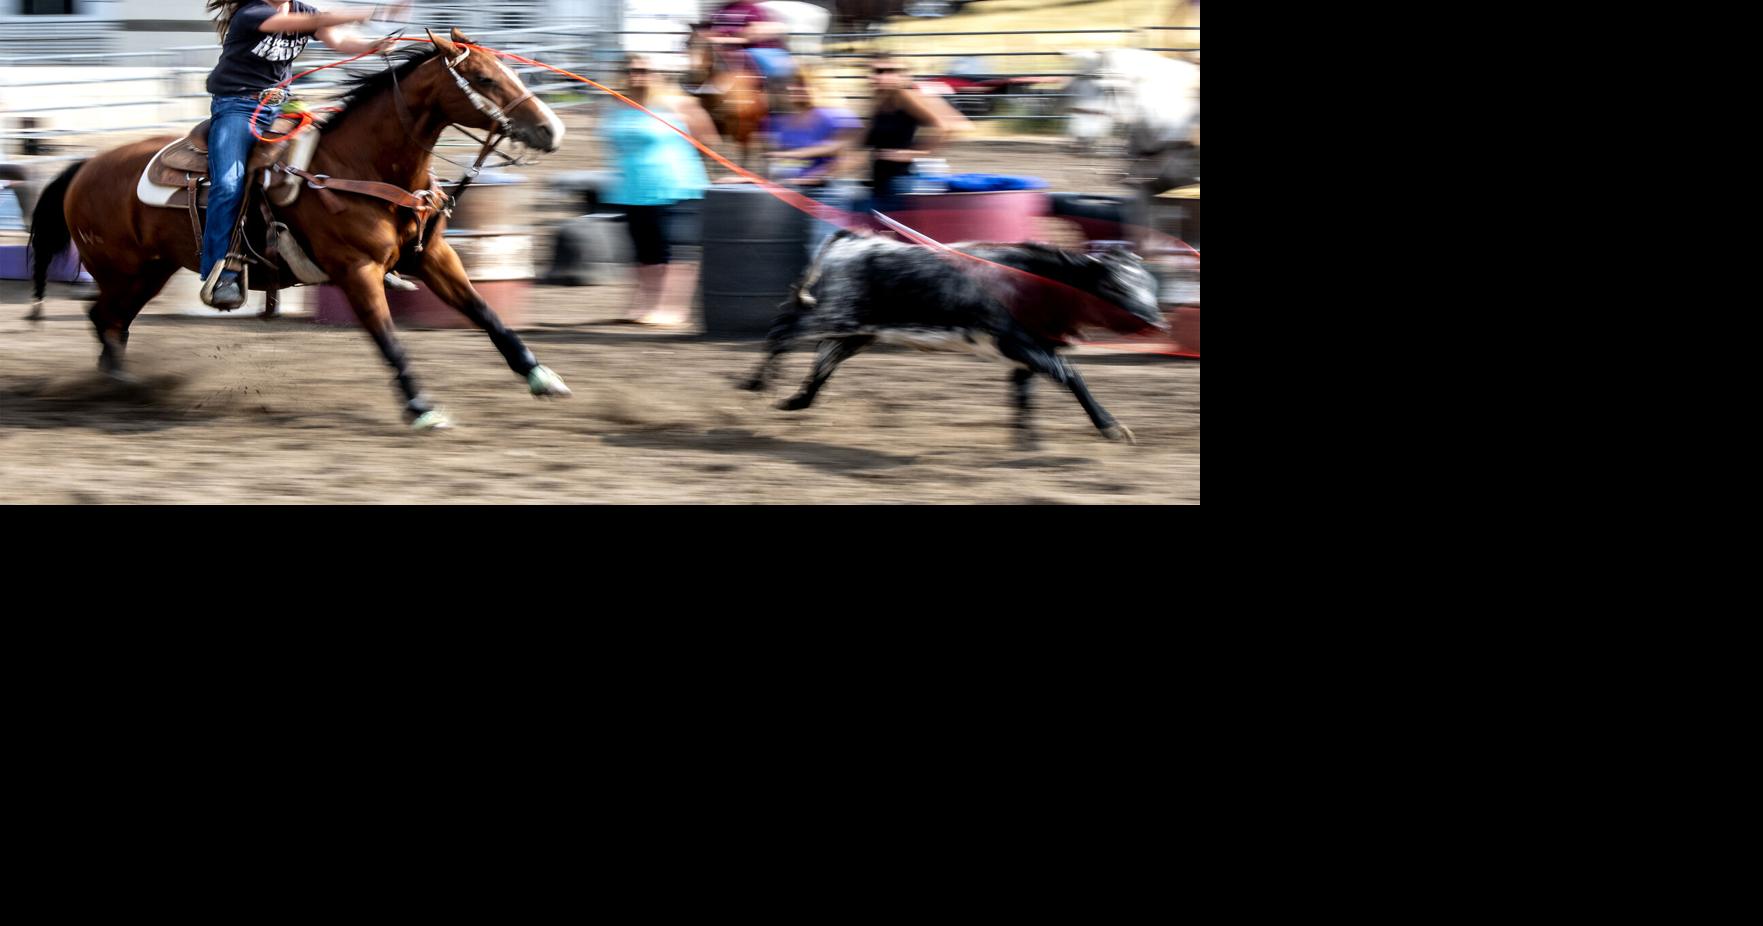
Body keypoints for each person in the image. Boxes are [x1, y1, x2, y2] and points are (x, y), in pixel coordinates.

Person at [199, 0, 405, 309]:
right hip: (237, 106)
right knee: (228, 184)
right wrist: (375, 12)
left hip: (282, 106)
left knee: (337, 160)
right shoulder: (252, 13)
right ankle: (221, 271)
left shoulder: (303, 11)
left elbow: (337, 40)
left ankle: (364, 253)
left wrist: (372, 46)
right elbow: (312, 22)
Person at [600, 55, 720, 327]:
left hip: (673, 186)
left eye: (643, 70)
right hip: (632, 189)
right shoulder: (619, 104)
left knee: (673, 250)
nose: (636, 75)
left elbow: (708, 139)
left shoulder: (677, 104)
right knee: (644, 251)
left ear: (658, 73)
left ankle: (673, 308)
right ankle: (646, 303)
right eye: (631, 70)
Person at [761, 70, 862, 257]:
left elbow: (848, 153)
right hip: (794, 193)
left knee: (822, 248)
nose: (796, 89)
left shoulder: (834, 116)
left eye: (803, 84)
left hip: (826, 192)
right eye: (794, 85)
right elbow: (777, 161)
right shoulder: (782, 122)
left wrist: (819, 174)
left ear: (817, 87)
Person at [862, 56, 969, 217]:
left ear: (901, 75)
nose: (879, 76)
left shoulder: (906, 96)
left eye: (887, 71)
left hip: (898, 182)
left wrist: (915, 153)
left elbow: (948, 126)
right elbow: (864, 140)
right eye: (876, 71)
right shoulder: (880, 99)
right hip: (880, 181)